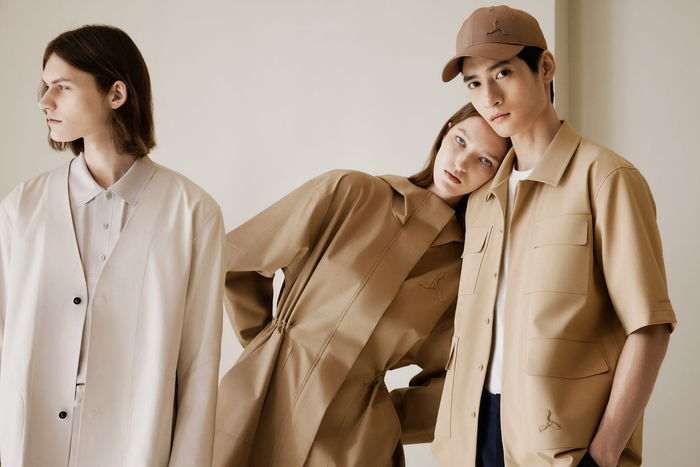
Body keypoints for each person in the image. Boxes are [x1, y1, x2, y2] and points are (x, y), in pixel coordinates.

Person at [431, 6, 676, 467]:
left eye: (502, 73)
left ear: (545, 67)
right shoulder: (483, 198)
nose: (490, 97)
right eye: (474, 83)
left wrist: (602, 454)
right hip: (468, 443)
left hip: (561, 450)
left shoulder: (606, 179)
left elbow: (650, 327)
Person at [213, 102, 509, 467]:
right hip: (257, 400)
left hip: (351, 446)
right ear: (446, 131)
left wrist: (383, 422)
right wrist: (268, 345)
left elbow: (454, 380)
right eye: (461, 140)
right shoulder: (349, 191)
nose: (461, 163)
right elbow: (239, 261)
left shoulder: (462, 268)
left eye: (485, 160)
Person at [0, 25, 225, 466]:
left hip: (135, 448)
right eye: (46, 87)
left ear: (116, 94)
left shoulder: (193, 214)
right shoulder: (21, 209)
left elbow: (198, 371)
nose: (44, 102)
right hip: (28, 445)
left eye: (62, 87)